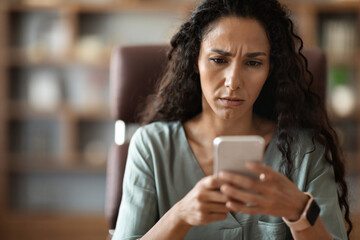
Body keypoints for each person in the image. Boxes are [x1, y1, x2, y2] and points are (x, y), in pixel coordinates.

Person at [112, 0, 352, 239]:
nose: (233, 81)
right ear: (194, 61)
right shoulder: (151, 146)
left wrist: (300, 212)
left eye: (253, 63)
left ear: (270, 70)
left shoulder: (306, 151)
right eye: (219, 60)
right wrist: (180, 215)